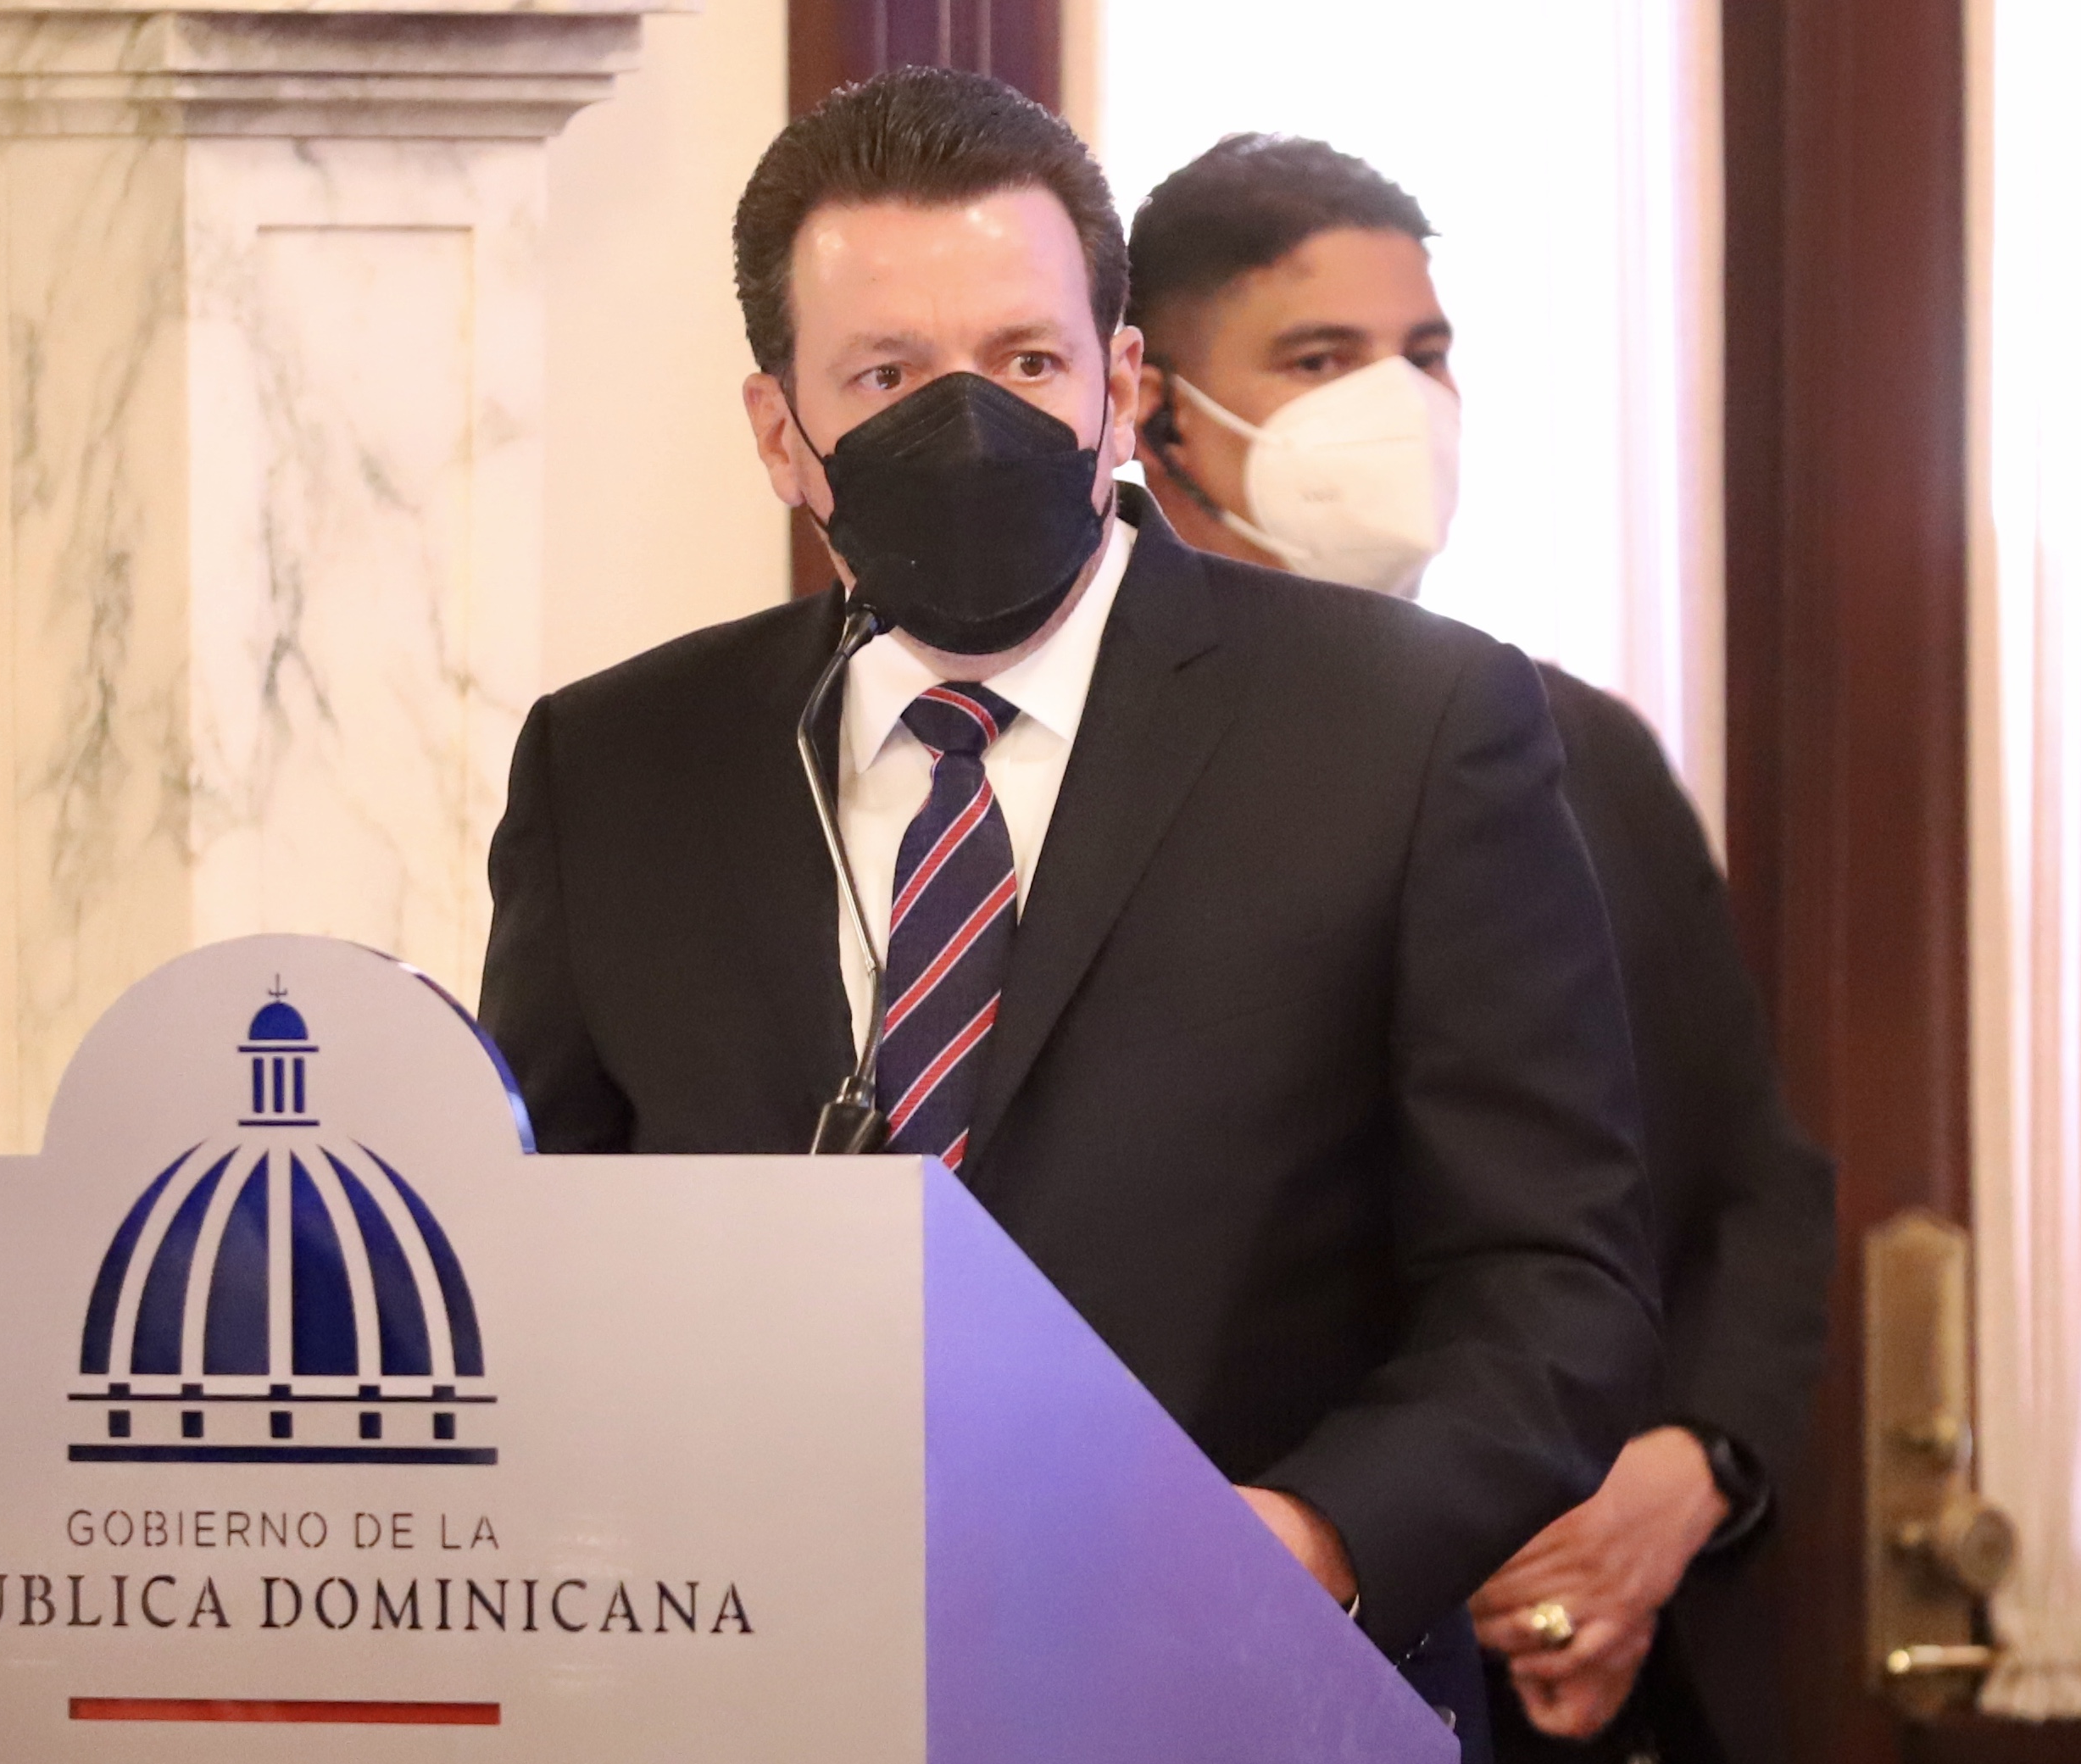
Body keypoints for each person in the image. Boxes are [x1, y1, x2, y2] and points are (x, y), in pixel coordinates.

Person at [478, 67, 1661, 1736]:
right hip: (755, 1701)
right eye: (888, 375)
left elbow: (1554, 1283)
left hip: (1245, 1702)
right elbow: (548, 1261)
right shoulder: (616, 766)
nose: (968, 423)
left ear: (1120, 385)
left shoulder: (1409, 729)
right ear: (779, 432)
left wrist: (1304, 1543)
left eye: (1027, 361)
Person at [1125, 134, 1837, 1764]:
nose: (1397, 405)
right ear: (1152, 403)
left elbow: (1751, 1179)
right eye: (1321, 359)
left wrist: (1687, 1469)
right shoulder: (1070, 772)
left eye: (1424, 353)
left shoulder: (1577, 747)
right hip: (1220, 1641)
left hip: (1583, 1676)